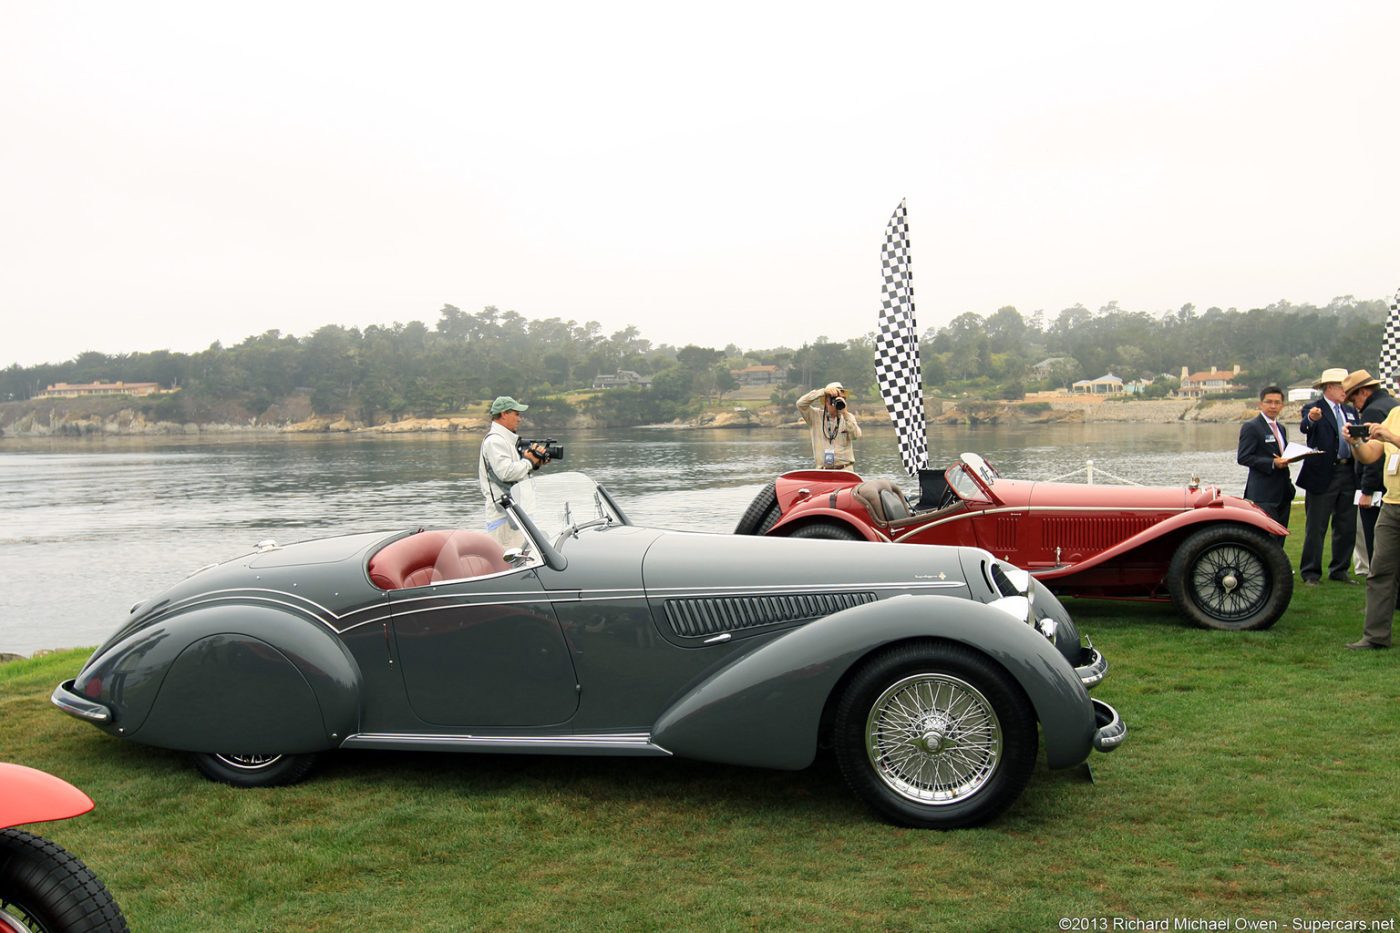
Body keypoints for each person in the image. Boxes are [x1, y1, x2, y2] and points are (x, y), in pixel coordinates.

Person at [1296, 367, 1360, 585]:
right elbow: (1306, 426)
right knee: (1316, 526)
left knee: (1346, 525)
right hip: (1322, 474)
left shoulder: (1350, 411)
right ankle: (1311, 572)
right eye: (1343, 387)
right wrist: (1312, 419)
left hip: (1348, 472)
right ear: (1330, 387)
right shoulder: (1314, 408)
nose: (1346, 391)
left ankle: (1340, 570)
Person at [1341, 412, 1400, 649]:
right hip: (1392, 505)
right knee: (1380, 571)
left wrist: (1391, 437)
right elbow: (1370, 455)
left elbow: (1390, 439)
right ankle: (1375, 636)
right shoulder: (1395, 414)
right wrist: (1356, 442)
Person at [1342, 369, 1396, 574]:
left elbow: (1374, 459)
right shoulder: (1393, 407)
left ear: (1364, 392)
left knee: (1378, 548)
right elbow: (1376, 452)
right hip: (1390, 487)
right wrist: (1356, 443)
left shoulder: (1373, 411)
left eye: (1353, 399)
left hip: (1379, 488)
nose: (1354, 405)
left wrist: (1367, 489)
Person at [478, 396, 548, 548]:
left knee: (527, 559)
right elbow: (506, 473)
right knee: (515, 561)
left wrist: (534, 464)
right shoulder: (495, 441)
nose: (519, 419)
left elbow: (513, 476)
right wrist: (529, 462)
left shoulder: (505, 440)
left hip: (516, 516)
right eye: (516, 414)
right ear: (504, 414)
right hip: (506, 520)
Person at [1236, 385, 1294, 536]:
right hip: (1263, 494)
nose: (1273, 406)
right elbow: (1243, 457)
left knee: (1280, 537)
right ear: (1260, 404)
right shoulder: (1251, 427)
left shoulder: (1281, 428)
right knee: (1264, 538)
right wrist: (1272, 463)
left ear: (1282, 405)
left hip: (1283, 492)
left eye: (1277, 402)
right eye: (1269, 402)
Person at [796, 381, 862, 470]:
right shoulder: (815, 416)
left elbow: (855, 436)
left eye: (841, 398)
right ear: (826, 401)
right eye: (833, 398)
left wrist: (845, 413)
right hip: (823, 470)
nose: (836, 401)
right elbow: (800, 404)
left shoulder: (848, 418)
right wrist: (823, 392)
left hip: (845, 469)